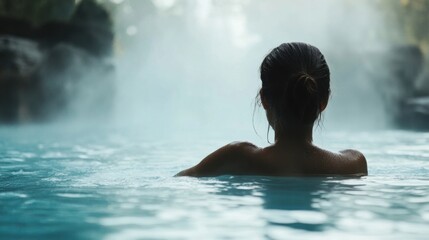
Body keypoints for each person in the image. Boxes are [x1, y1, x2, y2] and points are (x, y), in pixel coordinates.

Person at [176, 42, 367, 177]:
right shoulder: (353, 164)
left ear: (264, 99)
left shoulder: (237, 158)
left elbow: (181, 180)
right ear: (323, 102)